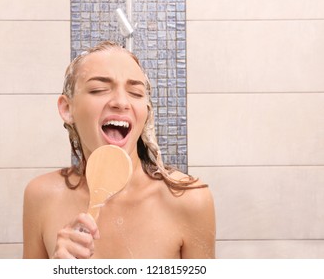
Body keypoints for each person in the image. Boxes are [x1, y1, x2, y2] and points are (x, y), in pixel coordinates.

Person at [22, 41, 216, 259]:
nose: (122, 102)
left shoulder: (189, 200)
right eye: (99, 89)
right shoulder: (42, 196)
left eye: (135, 92)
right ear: (68, 109)